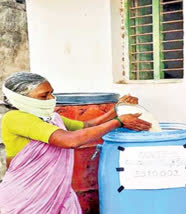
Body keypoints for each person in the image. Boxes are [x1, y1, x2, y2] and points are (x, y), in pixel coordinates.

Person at [0, 72, 151, 214]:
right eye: (44, 96)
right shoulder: (15, 118)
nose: (52, 99)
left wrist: (117, 108)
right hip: (26, 196)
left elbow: (87, 126)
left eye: (51, 93)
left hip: (57, 193)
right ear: (21, 98)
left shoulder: (51, 118)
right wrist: (118, 122)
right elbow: (70, 140)